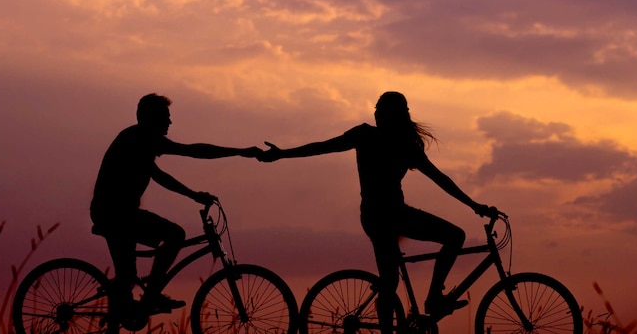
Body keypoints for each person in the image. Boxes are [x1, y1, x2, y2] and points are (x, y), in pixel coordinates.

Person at [258, 91, 494, 332]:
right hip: (389, 215)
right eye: (377, 109)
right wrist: (475, 207)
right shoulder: (381, 139)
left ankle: (419, 307)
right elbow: (322, 147)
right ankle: (434, 298)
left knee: (390, 281)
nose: (377, 113)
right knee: (450, 239)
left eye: (381, 109)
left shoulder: (391, 142)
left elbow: (440, 179)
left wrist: (474, 206)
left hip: (379, 216)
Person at [91, 93, 262, 313]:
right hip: (116, 215)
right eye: (165, 117)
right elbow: (191, 152)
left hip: (118, 214)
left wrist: (194, 194)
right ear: (152, 118)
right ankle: (151, 295)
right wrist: (241, 152)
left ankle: (133, 302)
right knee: (174, 235)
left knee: (127, 280)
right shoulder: (140, 138)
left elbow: (160, 174)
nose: (170, 122)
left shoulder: (138, 140)